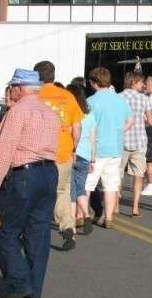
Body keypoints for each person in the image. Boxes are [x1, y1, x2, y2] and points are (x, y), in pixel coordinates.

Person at [0, 69, 60, 298]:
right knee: (38, 232)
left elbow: (5, 149)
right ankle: (34, 287)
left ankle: (19, 281)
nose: (10, 91)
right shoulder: (49, 112)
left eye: (12, 87)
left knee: (4, 230)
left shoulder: (18, 111)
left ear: (18, 88)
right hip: (48, 171)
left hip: (24, 173)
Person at [35, 60, 84, 251]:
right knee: (61, 192)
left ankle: (33, 230)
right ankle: (67, 227)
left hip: (39, 153)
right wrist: (73, 149)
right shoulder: (67, 96)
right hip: (63, 151)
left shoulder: (34, 96)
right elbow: (77, 128)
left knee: (37, 193)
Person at [85, 67, 133, 229]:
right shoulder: (120, 100)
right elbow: (131, 120)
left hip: (96, 149)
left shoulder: (91, 101)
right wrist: (119, 131)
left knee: (88, 185)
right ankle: (109, 218)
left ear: (94, 83)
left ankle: (83, 215)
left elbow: (86, 125)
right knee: (111, 186)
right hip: (115, 148)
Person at [118, 71, 152, 217]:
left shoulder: (118, 97)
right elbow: (151, 121)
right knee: (138, 176)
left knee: (118, 174)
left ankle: (115, 205)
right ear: (133, 82)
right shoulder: (144, 98)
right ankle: (135, 208)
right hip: (139, 140)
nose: (143, 85)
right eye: (141, 82)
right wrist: (140, 123)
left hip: (121, 140)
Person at [66, 83, 96, 235]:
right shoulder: (89, 114)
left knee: (70, 191)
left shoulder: (70, 112)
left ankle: (71, 224)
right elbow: (93, 138)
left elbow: (70, 132)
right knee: (81, 189)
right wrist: (93, 159)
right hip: (85, 156)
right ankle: (86, 215)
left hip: (71, 154)